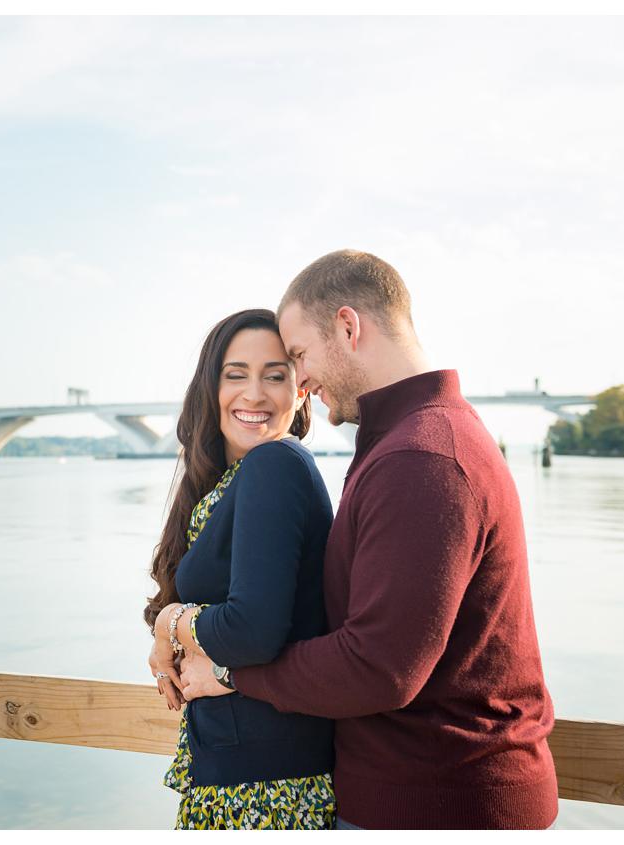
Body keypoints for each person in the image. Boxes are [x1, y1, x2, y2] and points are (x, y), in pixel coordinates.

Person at [174, 249, 558, 829]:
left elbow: (379, 669)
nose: (301, 379)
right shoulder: (410, 441)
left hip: (440, 807)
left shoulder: (423, 456)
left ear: (348, 327)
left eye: (298, 355)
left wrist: (229, 673)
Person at [141, 309, 336, 829]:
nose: (254, 394)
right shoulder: (230, 482)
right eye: (236, 374)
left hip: (269, 792)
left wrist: (170, 624)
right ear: (211, 387)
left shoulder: (275, 465)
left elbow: (251, 633)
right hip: (240, 778)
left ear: (301, 391)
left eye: (275, 375)